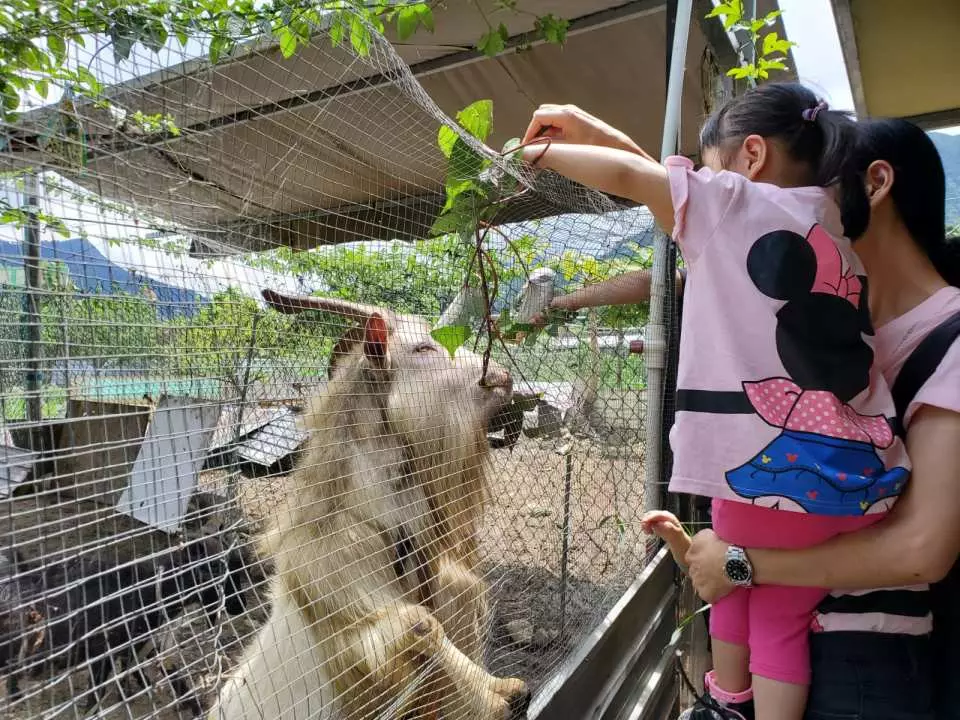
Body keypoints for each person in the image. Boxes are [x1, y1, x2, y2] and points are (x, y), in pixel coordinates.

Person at [517, 83, 913, 720]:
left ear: (751, 156)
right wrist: (587, 122)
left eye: (713, 166)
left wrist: (533, 154)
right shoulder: (833, 221)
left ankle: (727, 702)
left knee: (735, 591)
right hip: (853, 471)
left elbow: (631, 175)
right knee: (781, 612)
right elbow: (655, 181)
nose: (702, 182)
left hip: (764, 470)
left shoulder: (731, 204)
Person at [681, 118, 960, 720]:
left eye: (811, 188)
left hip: (862, 664)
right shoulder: (834, 338)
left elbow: (923, 547)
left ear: (876, 184)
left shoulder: (950, 340)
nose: (785, 209)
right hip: (789, 648)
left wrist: (741, 563)